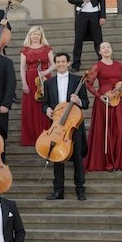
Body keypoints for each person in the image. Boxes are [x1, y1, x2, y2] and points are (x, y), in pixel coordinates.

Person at [42, 53, 89, 200]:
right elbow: (45, 104)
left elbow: (86, 103)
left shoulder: (78, 80)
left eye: (63, 61)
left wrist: (79, 101)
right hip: (56, 126)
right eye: (58, 62)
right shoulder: (49, 83)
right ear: (55, 64)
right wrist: (47, 109)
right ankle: (58, 191)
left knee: (77, 159)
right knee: (56, 159)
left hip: (73, 125)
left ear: (68, 63)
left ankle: (80, 190)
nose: (61, 64)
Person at [84, 42, 122, 172]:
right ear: (99, 52)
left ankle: (117, 162)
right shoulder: (97, 66)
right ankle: (104, 162)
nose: (106, 49)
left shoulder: (118, 65)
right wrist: (99, 96)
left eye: (108, 47)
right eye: (103, 48)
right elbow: (88, 84)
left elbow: (120, 82)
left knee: (117, 129)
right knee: (103, 129)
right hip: (103, 100)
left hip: (116, 100)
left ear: (111, 50)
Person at [19, 26, 55, 146]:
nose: (35, 36)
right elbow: (22, 68)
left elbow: (54, 64)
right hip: (30, 80)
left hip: (44, 79)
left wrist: (46, 71)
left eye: (38, 34)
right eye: (33, 34)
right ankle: (31, 137)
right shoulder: (25, 50)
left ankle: (45, 135)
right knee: (30, 108)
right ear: (30, 35)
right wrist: (24, 83)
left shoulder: (47, 48)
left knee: (45, 106)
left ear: (41, 36)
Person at [68, 0, 106, 72]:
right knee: (78, 40)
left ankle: (102, 62)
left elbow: (102, 0)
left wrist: (103, 16)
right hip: (81, 15)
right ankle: (76, 64)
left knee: (98, 40)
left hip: (94, 14)